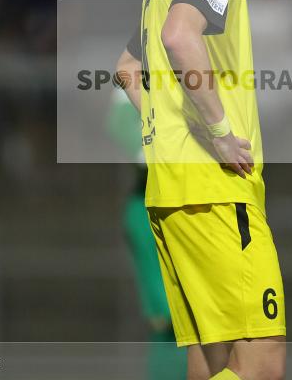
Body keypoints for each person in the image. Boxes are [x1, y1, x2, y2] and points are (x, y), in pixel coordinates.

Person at [115, 0, 289, 380]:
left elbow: (127, 70)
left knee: (211, 364)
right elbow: (179, 36)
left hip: (172, 191)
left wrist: (173, 132)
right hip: (214, 193)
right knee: (261, 364)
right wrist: (216, 133)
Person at [106, 88, 187, 380]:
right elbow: (120, 121)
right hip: (154, 205)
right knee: (170, 320)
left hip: (197, 204)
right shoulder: (145, 64)